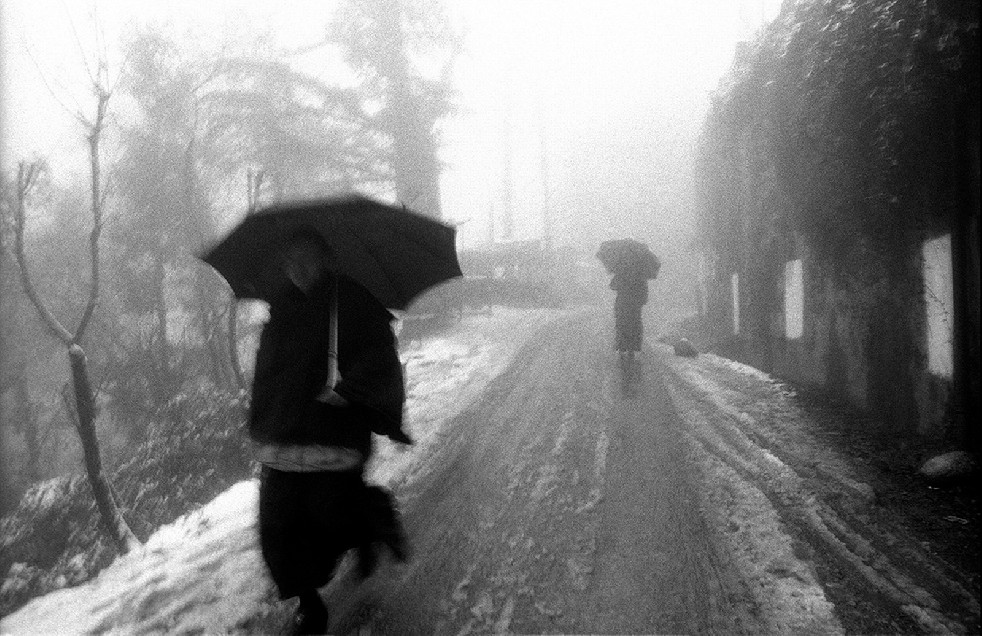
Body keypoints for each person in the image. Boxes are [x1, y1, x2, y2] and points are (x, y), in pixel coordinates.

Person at [249, 227, 411, 635]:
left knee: (330, 522)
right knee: (278, 532)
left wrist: (351, 390)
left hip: (335, 433)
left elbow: (380, 362)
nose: (297, 270)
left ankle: (371, 515)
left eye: (306, 260)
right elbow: (266, 376)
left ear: (327, 260)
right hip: (284, 438)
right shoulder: (279, 314)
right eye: (290, 263)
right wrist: (260, 422)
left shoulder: (353, 306)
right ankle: (309, 604)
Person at [609, 265, 649, 358]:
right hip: (635, 303)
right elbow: (644, 290)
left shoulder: (621, 272)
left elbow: (612, 286)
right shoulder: (641, 274)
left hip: (622, 302)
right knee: (635, 323)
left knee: (621, 322)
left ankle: (622, 345)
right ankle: (634, 346)